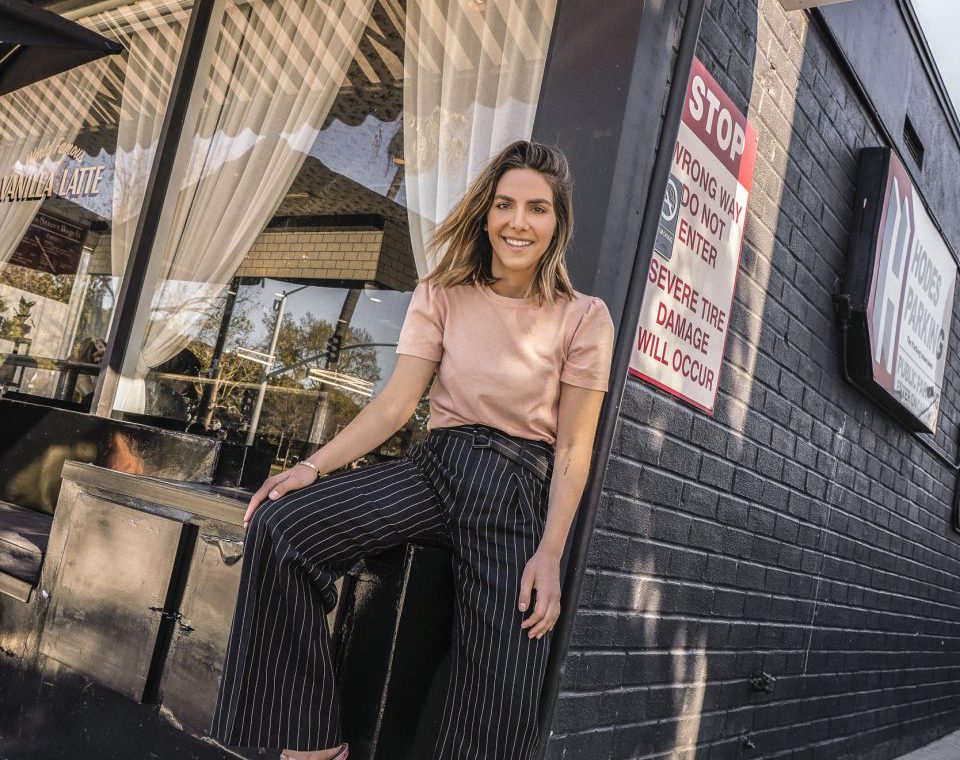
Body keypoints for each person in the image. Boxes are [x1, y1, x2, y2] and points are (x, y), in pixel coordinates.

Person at [209, 140, 615, 760]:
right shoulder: (441, 293)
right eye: (505, 204)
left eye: (537, 208)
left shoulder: (585, 318)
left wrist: (551, 552)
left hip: (514, 490)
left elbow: (574, 447)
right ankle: (313, 744)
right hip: (435, 467)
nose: (518, 222)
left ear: (558, 221)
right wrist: (311, 467)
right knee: (282, 525)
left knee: (500, 689)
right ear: (485, 213)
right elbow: (395, 406)